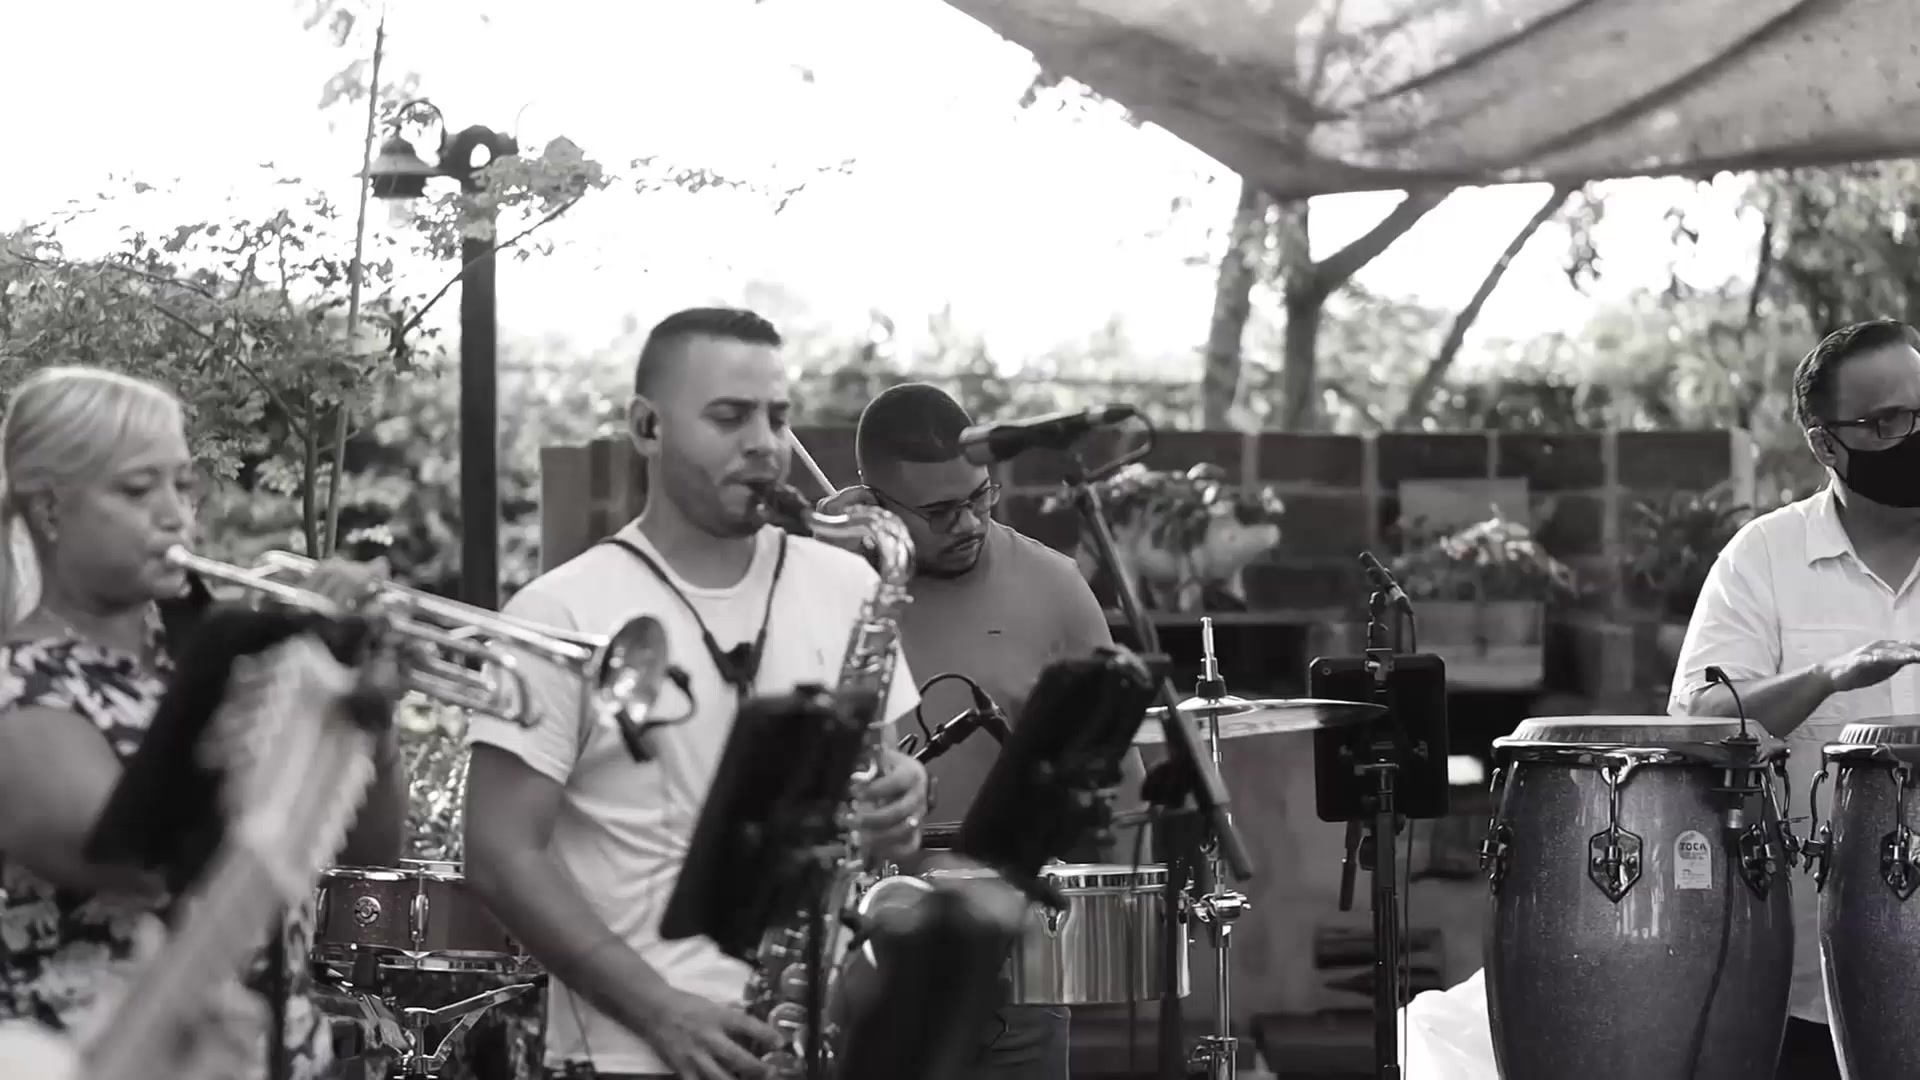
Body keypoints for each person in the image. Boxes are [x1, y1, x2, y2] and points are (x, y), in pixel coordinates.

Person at [462, 307, 931, 1080]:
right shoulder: (558, 612)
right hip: (627, 1057)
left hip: (811, 1044)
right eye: (729, 416)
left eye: (777, 416)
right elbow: (498, 854)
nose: (765, 443)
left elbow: (884, 827)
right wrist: (659, 1009)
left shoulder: (849, 585)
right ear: (646, 427)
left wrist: (900, 800)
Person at [0, 366, 407, 1080]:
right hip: (108, 1059)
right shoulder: (19, 682)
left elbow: (365, 846)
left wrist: (363, 707)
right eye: (138, 490)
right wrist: (280, 679)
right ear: (51, 509)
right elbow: (141, 868)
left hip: (274, 1055)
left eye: (181, 485)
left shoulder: (211, 652)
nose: (175, 515)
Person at [819, 382, 1146, 1080]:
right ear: (875, 502)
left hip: (1011, 952)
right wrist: (812, 556)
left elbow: (1116, 774)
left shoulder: (1054, 585)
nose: (968, 522)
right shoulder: (828, 582)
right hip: (855, 950)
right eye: (939, 512)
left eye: (980, 497)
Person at [1670, 318, 1920, 1080]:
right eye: (1888, 423)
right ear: (1825, 444)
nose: (1915, 436)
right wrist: (1825, 677)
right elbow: (1702, 723)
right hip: (1812, 985)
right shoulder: (1764, 559)